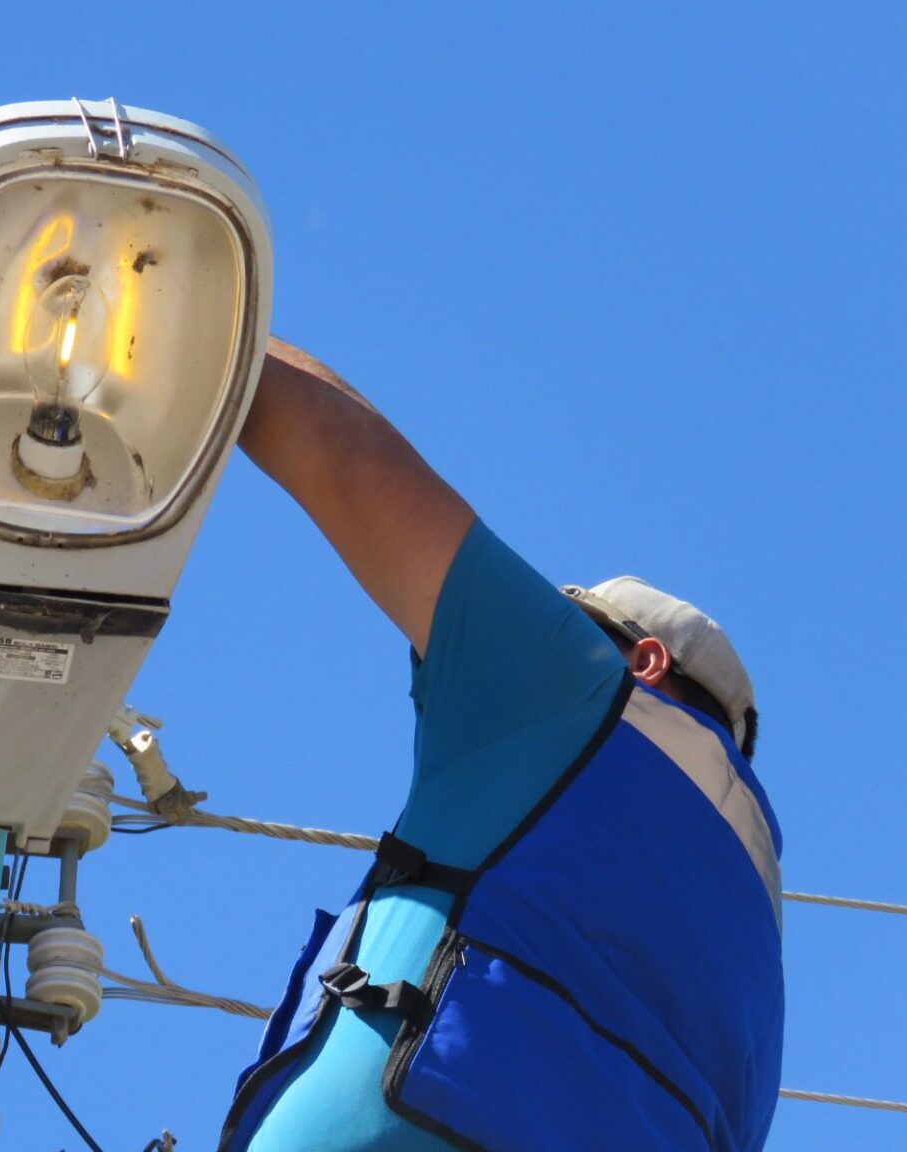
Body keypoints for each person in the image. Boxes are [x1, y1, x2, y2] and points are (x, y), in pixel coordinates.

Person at [217, 339, 783, 1152]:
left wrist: (195, 289)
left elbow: (340, 452)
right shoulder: (757, 952)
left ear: (644, 658)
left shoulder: (578, 690)